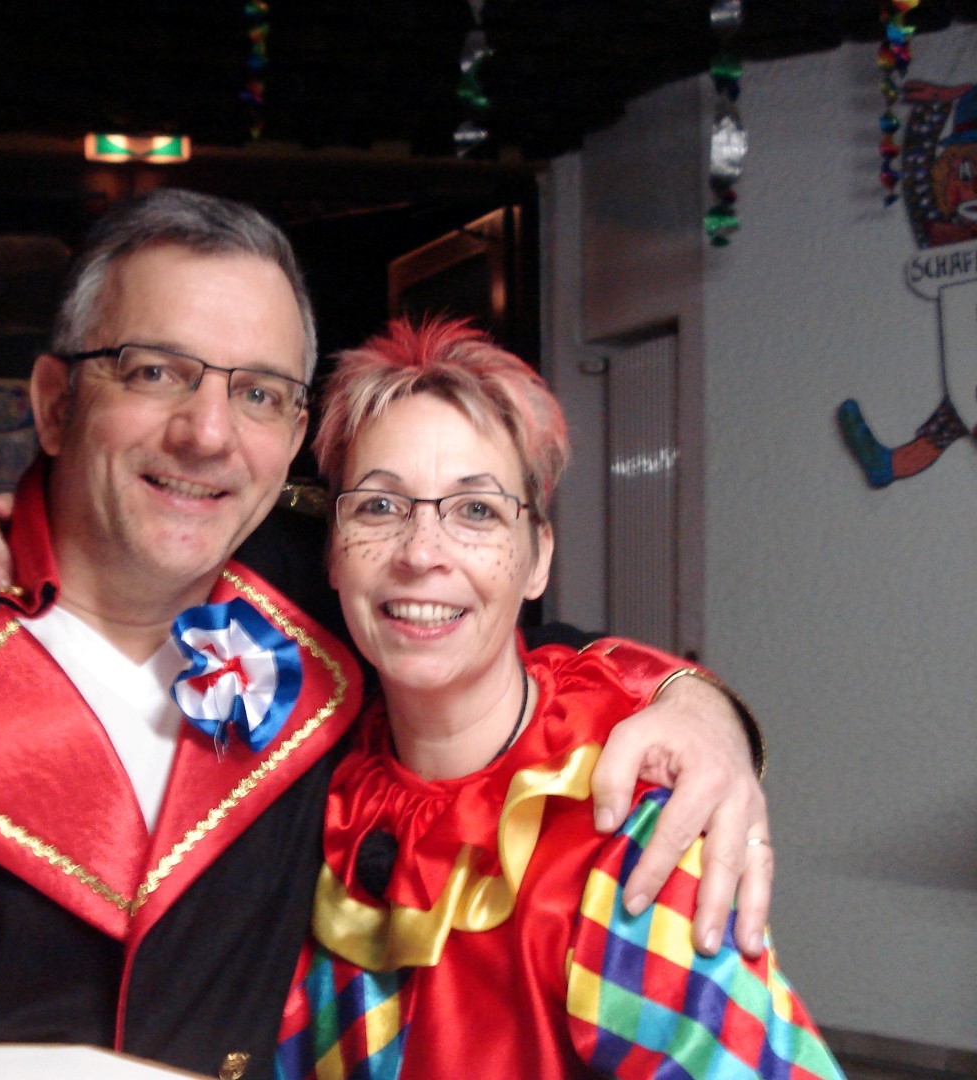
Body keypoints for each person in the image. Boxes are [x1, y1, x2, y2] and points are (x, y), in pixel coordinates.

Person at [0, 190, 766, 1079]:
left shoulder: (334, 607)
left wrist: (702, 711)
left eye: (260, 393)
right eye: (155, 371)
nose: (208, 434)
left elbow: (527, 643)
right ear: (54, 403)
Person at [265, 318, 841, 1078]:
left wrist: (707, 709)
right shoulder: (311, 782)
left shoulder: (617, 831)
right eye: (379, 506)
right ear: (334, 553)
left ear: (537, 558)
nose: (421, 552)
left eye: (476, 510)